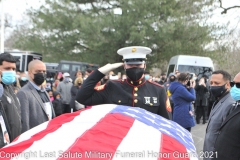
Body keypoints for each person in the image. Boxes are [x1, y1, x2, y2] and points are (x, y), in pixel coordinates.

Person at [76, 46, 171, 119]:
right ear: (124, 66)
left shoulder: (158, 90)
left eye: (138, 64)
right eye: (130, 64)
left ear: (144, 66)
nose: (134, 68)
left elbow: (167, 122)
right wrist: (101, 71)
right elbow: (82, 97)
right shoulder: (113, 87)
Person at [203, 70, 235, 160]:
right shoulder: (218, 101)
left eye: (217, 83)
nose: (213, 86)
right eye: (211, 83)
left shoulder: (230, 104)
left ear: (228, 85)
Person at [17, 60, 56, 133]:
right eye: (38, 71)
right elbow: (24, 123)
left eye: (44, 71)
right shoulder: (23, 93)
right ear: (29, 73)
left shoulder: (44, 92)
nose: (42, 74)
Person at [212, 72, 240, 160]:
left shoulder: (230, 104)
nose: (234, 88)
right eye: (233, 84)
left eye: (238, 85)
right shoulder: (237, 106)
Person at [0, 53, 21, 147]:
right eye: (7, 68)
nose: (12, 72)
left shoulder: (10, 88)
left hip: (13, 144)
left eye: (13, 69)